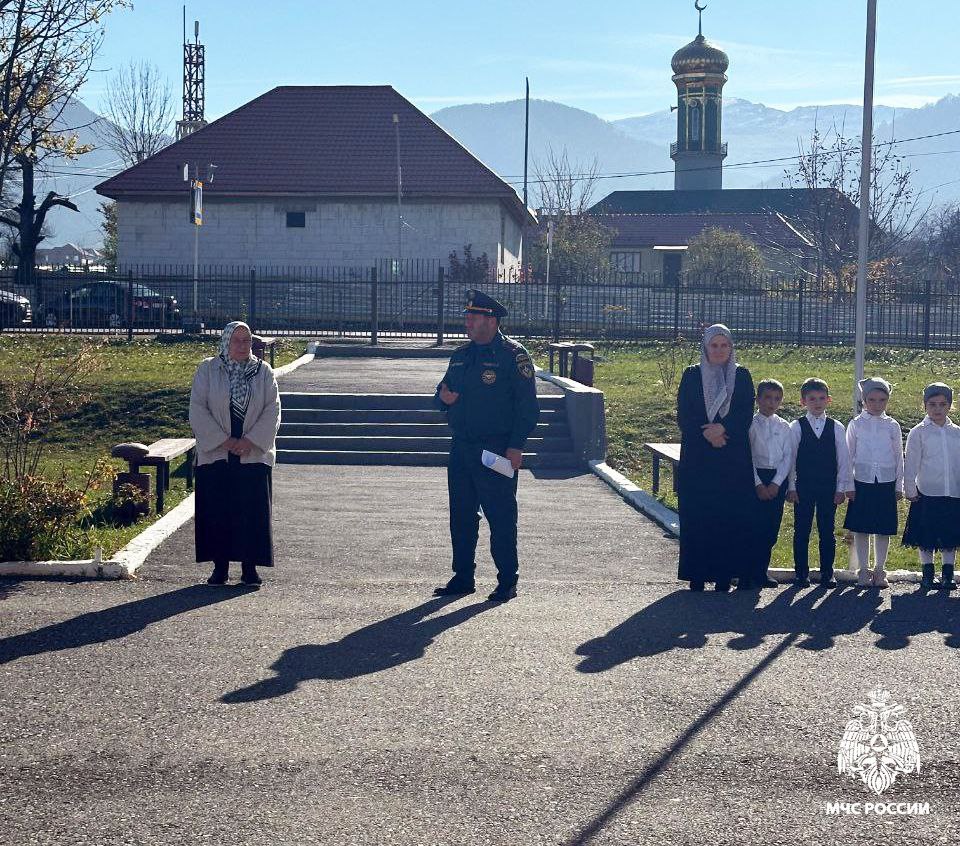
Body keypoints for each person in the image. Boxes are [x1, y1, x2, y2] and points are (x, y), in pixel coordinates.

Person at [432, 290, 540, 603]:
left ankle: (507, 580)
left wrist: (516, 446)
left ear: (491, 320)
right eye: (466, 317)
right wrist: (442, 399)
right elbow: (441, 392)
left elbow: (528, 407)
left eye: (473, 317)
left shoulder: (512, 355)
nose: (467, 322)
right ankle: (463, 576)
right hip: (462, 448)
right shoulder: (461, 355)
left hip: (496, 449)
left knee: (501, 516)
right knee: (461, 515)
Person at [189, 321, 281, 586]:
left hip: (252, 453)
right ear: (226, 342)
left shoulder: (263, 372)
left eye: (247, 340)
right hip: (217, 453)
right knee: (218, 512)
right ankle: (220, 568)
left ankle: (250, 568)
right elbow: (198, 408)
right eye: (237, 341)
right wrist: (224, 441)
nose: (242, 346)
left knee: (250, 512)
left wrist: (250, 441)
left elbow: (272, 410)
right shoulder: (208, 369)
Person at [676, 324, 756, 592]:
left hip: (731, 458)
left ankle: (725, 575)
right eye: (714, 345)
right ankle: (696, 574)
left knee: (728, 515)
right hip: (698, 457)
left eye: (724, 345)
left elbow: (745, 412)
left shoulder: (742, 376)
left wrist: (724, 429)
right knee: (698, 514)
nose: (719, 350)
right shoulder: (692, 375)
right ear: (706, 347)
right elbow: (685, 414)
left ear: (731, 348)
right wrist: (709, 434)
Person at [786, 378, 853, 588]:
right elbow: (790, 459)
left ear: (829, 400)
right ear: (803, 401)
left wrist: (840, 488)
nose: (817, 403)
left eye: (821, 398)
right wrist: (791, 487)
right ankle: (801, 573)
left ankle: (827, 573)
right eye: (812, 399)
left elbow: (844, 460)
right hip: (804, 487)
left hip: (828, 487)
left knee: (827, 531)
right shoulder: (796, 427)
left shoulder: (837, 427)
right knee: (801, 530)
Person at [843, 377, 904, 589]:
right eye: (872, 399)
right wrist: (847, 484)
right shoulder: (856, 424)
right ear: (864, 400)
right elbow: (847, 456)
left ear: (887, 400)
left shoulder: (892, 425)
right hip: (862, 481)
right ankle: (863, 570)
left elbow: (898, 456)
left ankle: (879, 570)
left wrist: (898, 486)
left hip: (886, 483)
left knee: (883, 529)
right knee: (861, 528)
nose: (877, 404)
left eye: (882, 400)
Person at [902, 382, 960, 591]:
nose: (937, 409)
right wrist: (910, 488)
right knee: (926, 534)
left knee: (949, 534)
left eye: (942, 405)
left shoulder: (957, 433)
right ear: (925, 405)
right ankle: (927, 572)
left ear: (950, 406)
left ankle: (948, 573)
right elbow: (911, 463)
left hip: (952, 491)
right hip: (926, 492)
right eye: (932, 404)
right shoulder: (919, 432)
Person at [748, 379, 792, 589]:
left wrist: (776, 484)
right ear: (757, 398)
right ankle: (747, 572)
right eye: (767, 397)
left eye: (776, 399)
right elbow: (746, 457)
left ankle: (761, 571)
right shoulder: (749, 424)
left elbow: (787, 458)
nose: (771, 403)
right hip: (754, 478)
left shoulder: (783, 426)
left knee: (770, 527)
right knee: (752, 526)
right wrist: (757, 484)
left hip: (776, 479)